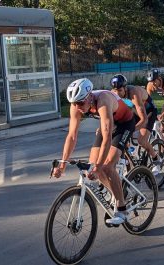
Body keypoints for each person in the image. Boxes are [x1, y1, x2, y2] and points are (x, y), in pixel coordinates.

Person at [51, 78, 135, 225]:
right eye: (74, 104)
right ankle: (116, 192)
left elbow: (107, 137)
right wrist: (62, 164)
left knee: (107, 166)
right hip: (107, 124)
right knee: (93, 165)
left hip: (124, 124)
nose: (77, 107)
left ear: (90, 96)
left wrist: (98, 168)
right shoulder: (76, 106)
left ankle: (122, 209)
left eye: (80, 103)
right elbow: (72, 136)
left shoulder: (103, 100)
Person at [110, 74, 163, 172]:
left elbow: (144, 119)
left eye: (120, 91)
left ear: (125, 88)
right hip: (133, 111)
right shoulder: (112, 94)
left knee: (141, 141)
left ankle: (156, 158)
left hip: (148, 111)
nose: (117, 94)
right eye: (115, 91)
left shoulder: (134, 93)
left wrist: (131, 129)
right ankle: (130, 157)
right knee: (121, 135)